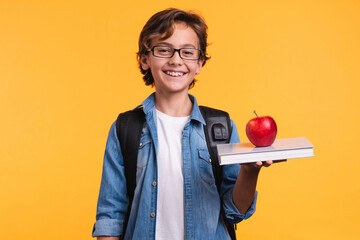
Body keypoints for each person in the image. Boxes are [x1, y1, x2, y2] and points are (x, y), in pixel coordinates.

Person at [92, 8, 280, 240]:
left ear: (199, 63)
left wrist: (250, 171)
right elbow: (111, 215)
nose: (176, 60)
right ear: (144, 59)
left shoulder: (221, 127)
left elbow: (235, 211)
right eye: (164, 50)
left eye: (187, 52)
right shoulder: (125, 128)